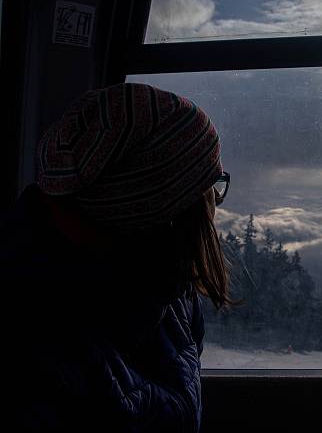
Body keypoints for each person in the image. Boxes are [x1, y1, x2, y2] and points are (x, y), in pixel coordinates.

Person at [1, 82, 234, 431]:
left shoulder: (172, 288)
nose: (217, 200)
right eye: (210, 186)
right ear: (166, 210)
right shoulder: (30, 351)